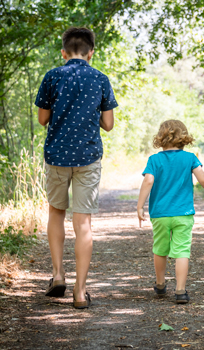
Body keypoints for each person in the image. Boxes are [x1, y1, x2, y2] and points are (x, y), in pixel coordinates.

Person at [35, 27, 118, 309]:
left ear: (63, 52)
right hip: (88, 157)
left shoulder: (52, 76)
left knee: (56, 213)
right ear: (91, 53)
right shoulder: (101, 79)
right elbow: (108, 124)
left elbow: (42, 119)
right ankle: (80, 293)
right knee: (83, 223)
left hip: (57, 156)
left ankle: (58, 275)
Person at [137, 120, 204, 304]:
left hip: (160, 214)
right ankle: (180, 291)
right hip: (183, 213)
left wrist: (140, 205)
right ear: (183, 138)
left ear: (161, 137)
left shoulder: (154, 159)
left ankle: (160, 284)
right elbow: (203, 180)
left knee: (160, 249)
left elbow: (148, 181)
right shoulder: (189, 158)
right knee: (182, 250)